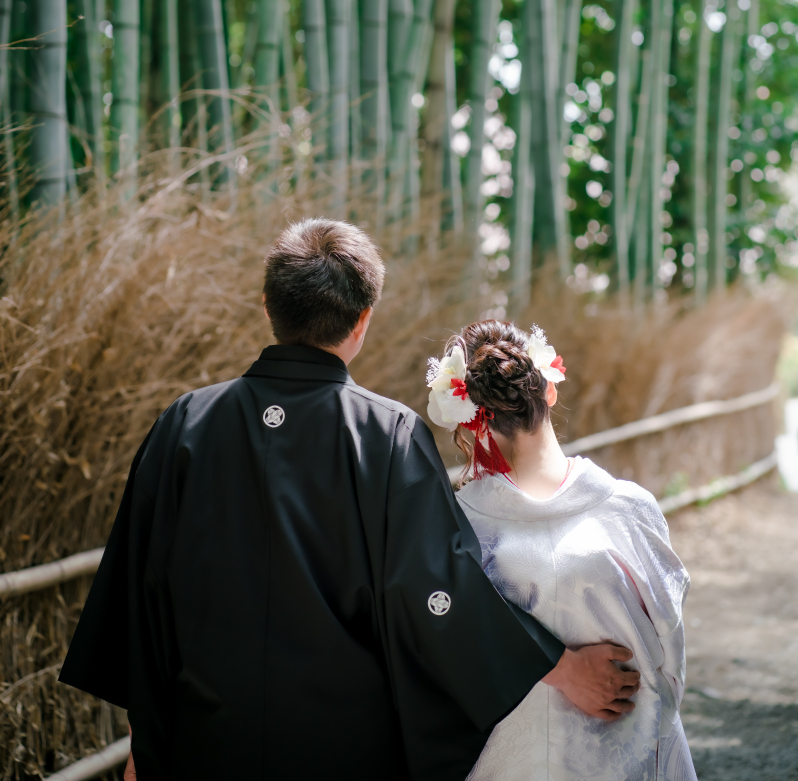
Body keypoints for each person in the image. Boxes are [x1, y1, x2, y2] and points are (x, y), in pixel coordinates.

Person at [60, 219, 639, 781]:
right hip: (342, 749)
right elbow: (437, 593)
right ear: (363, 320)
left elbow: (138, 594)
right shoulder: (387, 435)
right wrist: (558, 667)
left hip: (198, 742)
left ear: (267, 305)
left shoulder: (182, 424)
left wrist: (143, 740)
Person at [425, 318, 695, 781]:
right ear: (548, 391)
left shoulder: (458, 525)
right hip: (629, 747)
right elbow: (670, 653)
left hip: (511, 760)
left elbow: (444, 646)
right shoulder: (629, 510)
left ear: (472, 417)